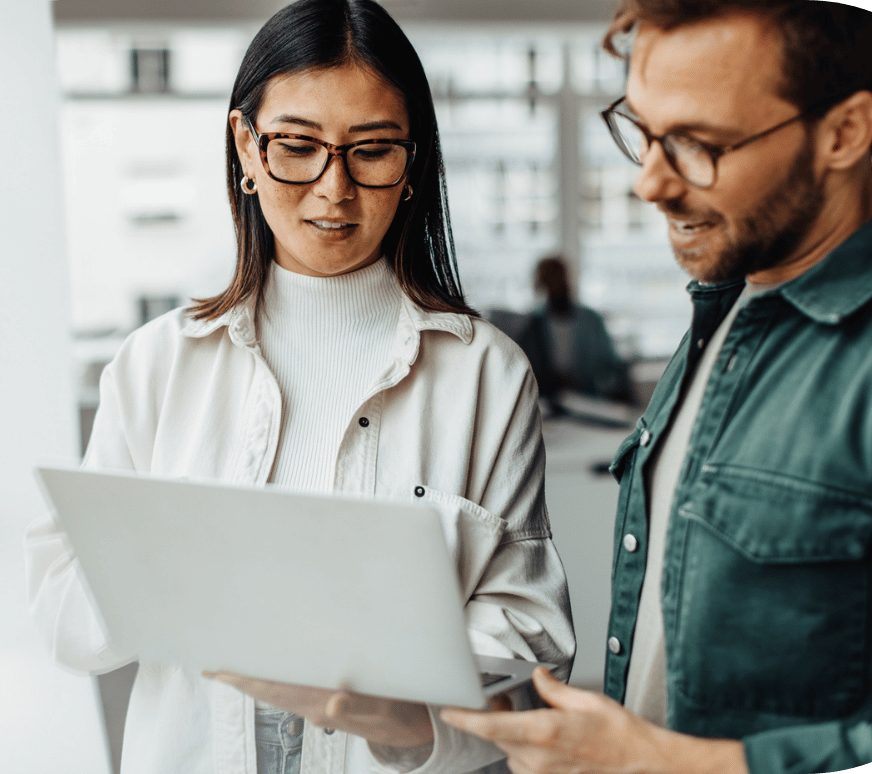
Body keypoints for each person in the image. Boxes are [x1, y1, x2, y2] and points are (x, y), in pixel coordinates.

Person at [441, 2, 872, 773]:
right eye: (641, 128)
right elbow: (666, 679)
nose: (648, 182)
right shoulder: (727, 305)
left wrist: (665, 766)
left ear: (844, 132)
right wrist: (440, 716)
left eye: (698, 144)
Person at [24, 1, 574, 773]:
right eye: (297, 146)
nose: (333, 189)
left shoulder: (487, 374)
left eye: (373, 151)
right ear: (246, 148)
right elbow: (62, 620)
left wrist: (408, 716)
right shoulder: (155, 365)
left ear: (413, 161)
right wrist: (174, 564)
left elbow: (535, 643)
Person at [516, 255, 635, 409]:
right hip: (548, 406)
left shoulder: (592, 321)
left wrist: (606, 387)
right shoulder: (533, 324)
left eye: (558, 279)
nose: (555, 287)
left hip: (589, 403)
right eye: (549, 282)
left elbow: (611, 365)